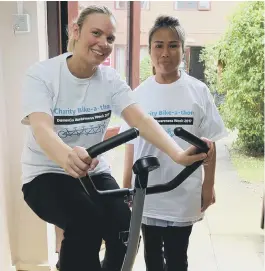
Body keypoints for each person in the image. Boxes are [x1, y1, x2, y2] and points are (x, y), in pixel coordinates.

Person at [20, 6, 213, 271]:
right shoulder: (42, 75)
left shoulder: (109, 79)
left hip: (92, 172)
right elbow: (41, 128)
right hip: (46, 174)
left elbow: (142, 120)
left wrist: (177, 154)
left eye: (110, 38)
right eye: (96, 33)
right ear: (76, 31)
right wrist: (67, 157)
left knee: (125, 227)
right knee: (85, 222)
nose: (103, 43)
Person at [121, 16, 227, 271]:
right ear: (150, 50)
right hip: (148, 193)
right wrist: (126, 188)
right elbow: (131, 147)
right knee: (152, 258)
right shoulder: (137, 95)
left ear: (183, 50)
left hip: (183, 193)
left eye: (173, 45)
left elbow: (209, 145)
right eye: (158, 45)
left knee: (178, 257)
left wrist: (208, 185)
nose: (165, 53)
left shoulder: (198, 91)